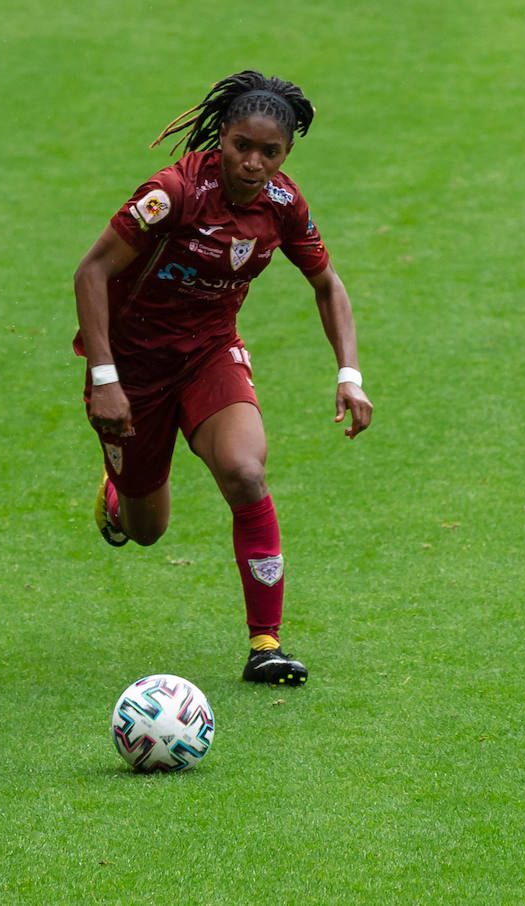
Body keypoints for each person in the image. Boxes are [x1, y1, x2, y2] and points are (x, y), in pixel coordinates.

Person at [73, 70, 372, 686]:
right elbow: (92, 272)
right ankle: (116, 496)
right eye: (242, 145)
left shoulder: (284, 206)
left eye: (271, 152)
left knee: (244, 470)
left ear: (286, 154)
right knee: (147, 530)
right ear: (222, 139)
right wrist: (105, 377)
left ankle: (266, 643)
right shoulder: (173, 194)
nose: (254, 162)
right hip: (131, 370)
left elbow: (327, 284)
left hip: (210, 355)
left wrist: (350, 374)